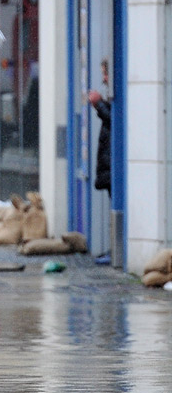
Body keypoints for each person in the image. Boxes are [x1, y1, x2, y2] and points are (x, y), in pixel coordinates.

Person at [89, 59, 111, 265]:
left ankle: (116, 251)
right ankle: (114, 249)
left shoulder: (115, 100)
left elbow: (114, 119)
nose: (104, 78)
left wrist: (98, 104)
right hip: (108, 162)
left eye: (105, 73)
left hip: (112, 163)